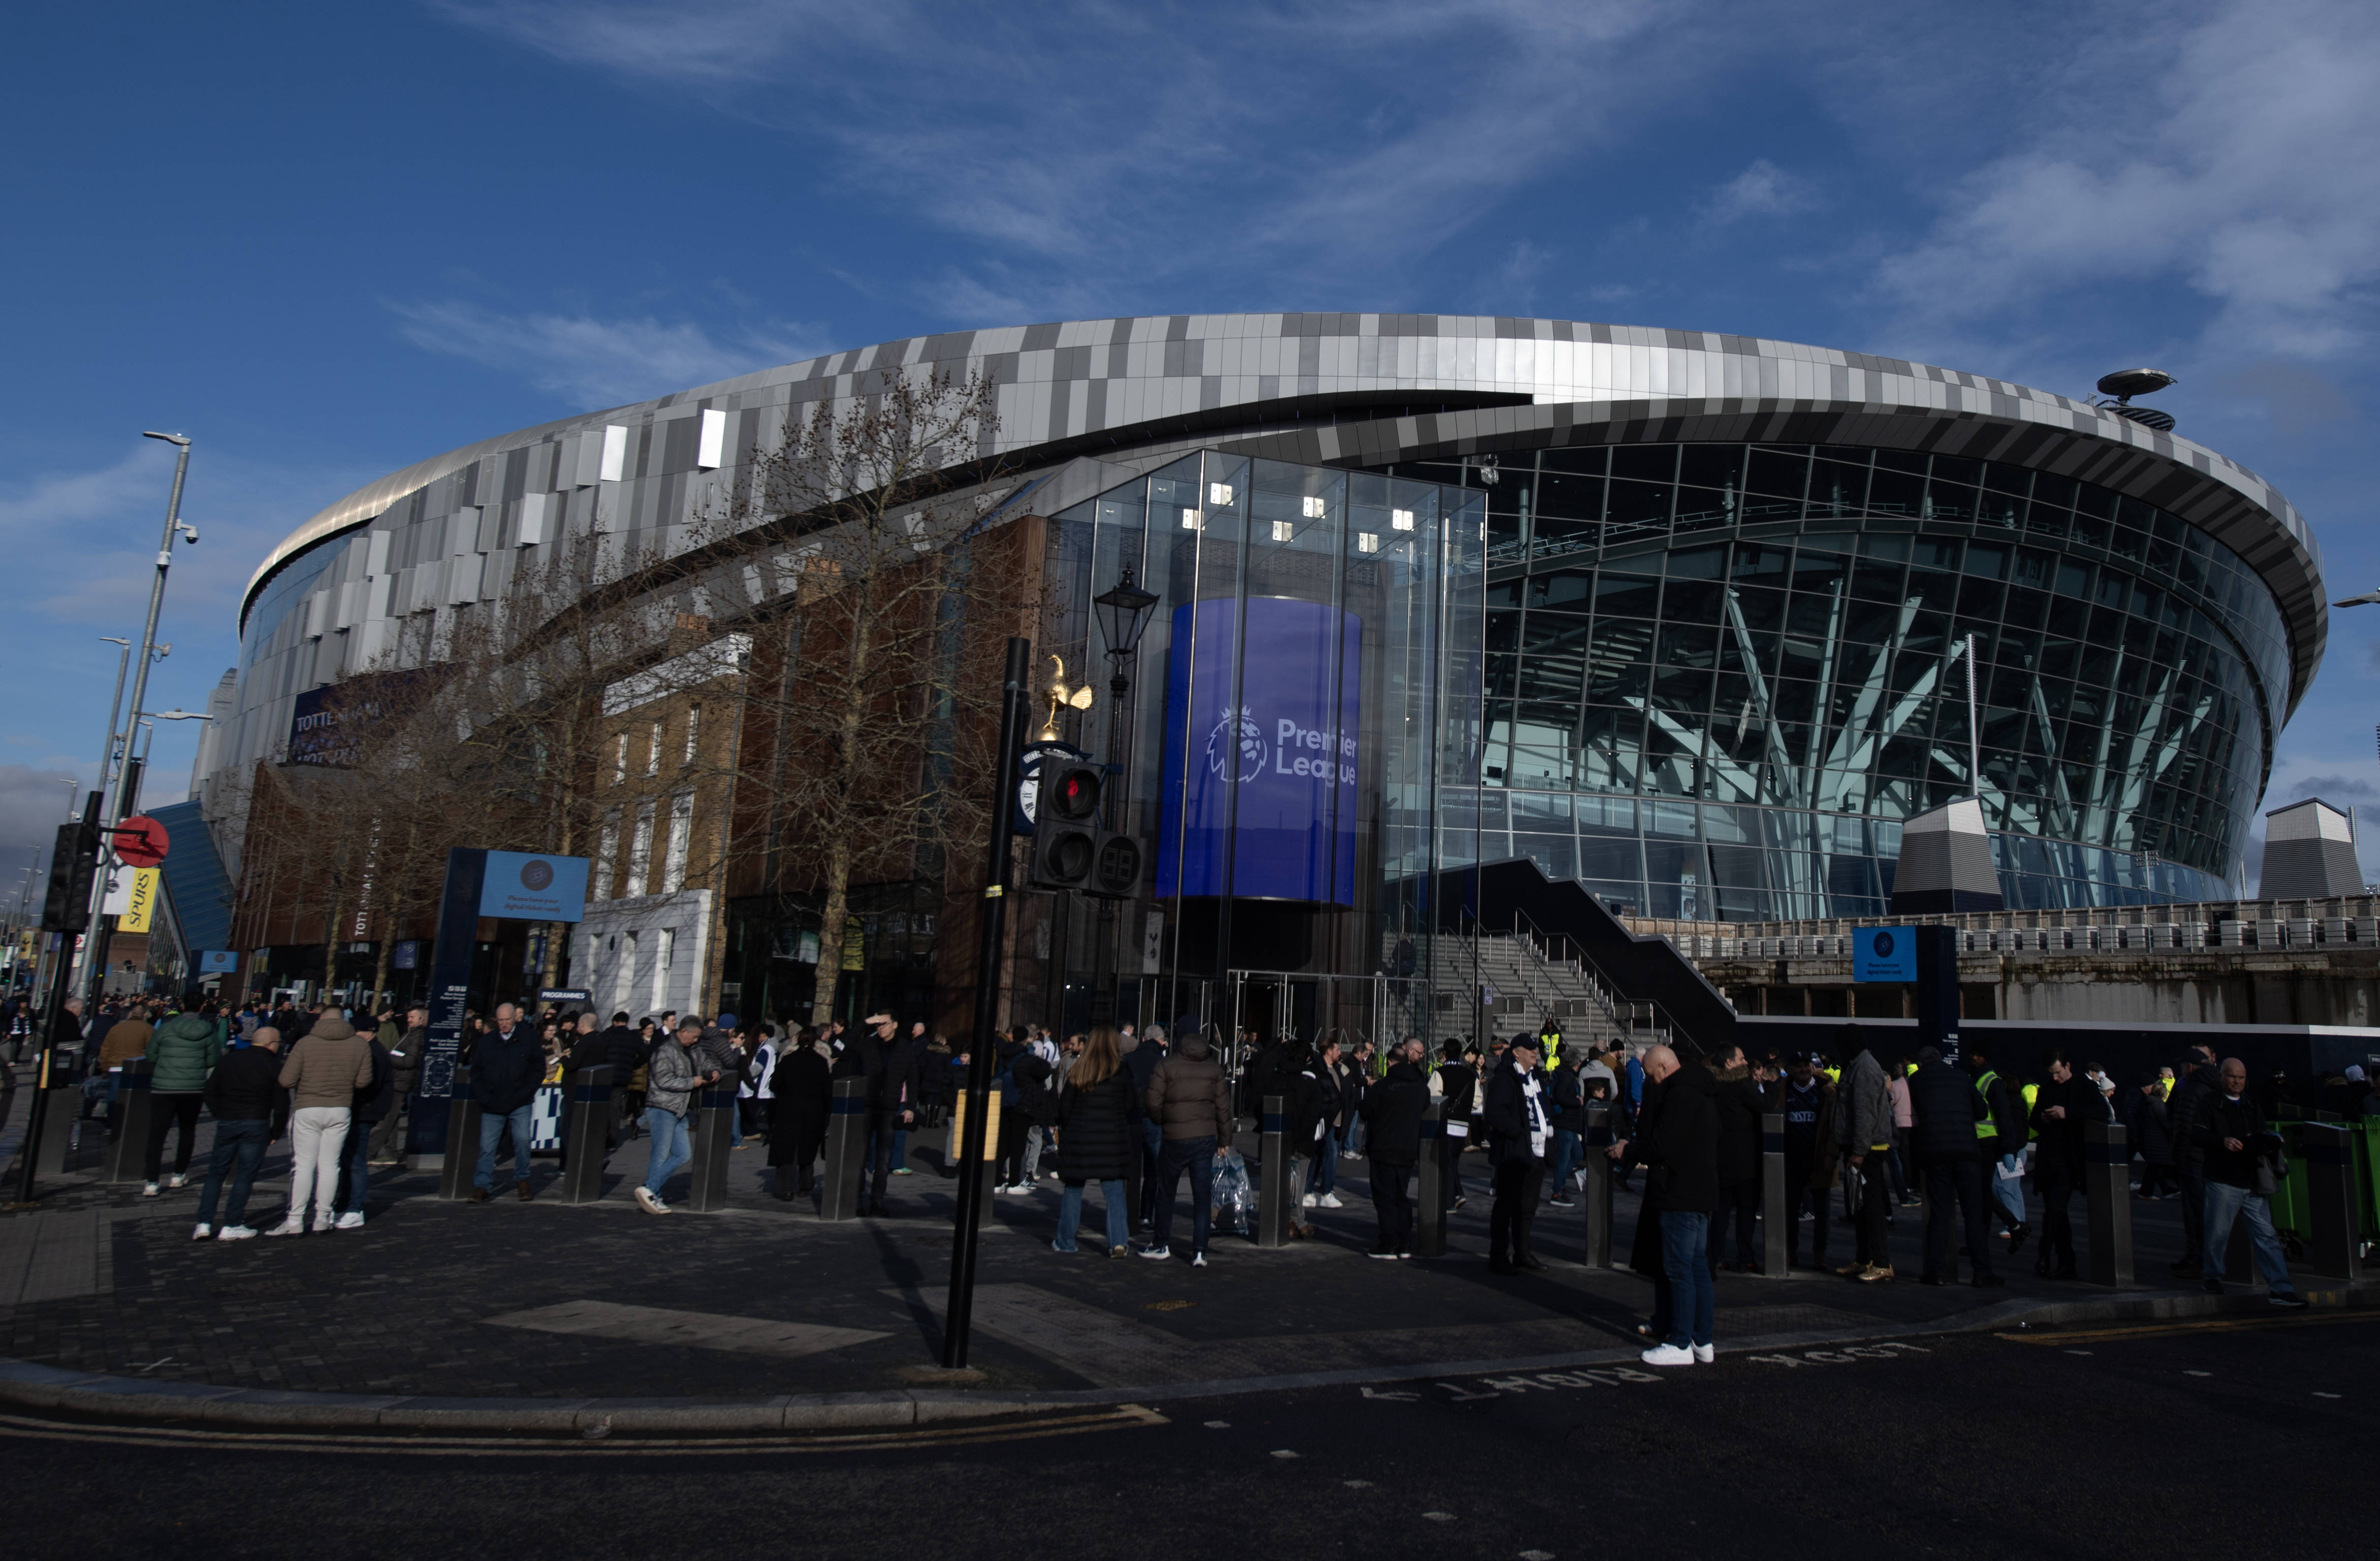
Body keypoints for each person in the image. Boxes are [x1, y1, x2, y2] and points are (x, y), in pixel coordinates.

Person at [1612, 1044, 1720, 1366]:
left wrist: (1628, 1150)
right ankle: (1702, 1340)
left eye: (1650, 1075)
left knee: (1678, 1269)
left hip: (1678, 1190)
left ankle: (1680, 1342)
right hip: (1702, 1189)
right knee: (1698, 1266)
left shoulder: (1679, 1095)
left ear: (1662, 1068)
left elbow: (1661, 1144)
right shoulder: (1702, 1091)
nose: (1651, 1082)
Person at [2193, 1057, 2308, 1307]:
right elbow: (2196, 1135)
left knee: (2267, 1236)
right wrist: (2222, 1142)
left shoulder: (2251, 1103)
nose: (2237, 1081)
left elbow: (2261, 1134)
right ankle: (2212, 1277)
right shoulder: (2209, 1103)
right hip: (2222, 1179)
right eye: (2233, 1076)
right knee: (2218, 1234)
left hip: (2251, 1179)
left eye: (2242, 1078)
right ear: (2222, 1077)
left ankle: (2281, 1289)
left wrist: (2270, 1142)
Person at [268, 1013, 375, 1237]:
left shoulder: (305, 1043)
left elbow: (286, 1080)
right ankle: (323, 1219)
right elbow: (364, 1081)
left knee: (304, 1166)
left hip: (308, 1106)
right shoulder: (359, 1044)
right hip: (341, 1107)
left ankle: (295, 1220)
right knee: (330, 1166)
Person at [1907, 1046, 2003, 1288]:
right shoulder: (1962, 1077)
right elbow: (1981, 1111)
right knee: (1974, 1214)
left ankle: (1936, 1272)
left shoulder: (1917, 1080)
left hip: (1936, 1152)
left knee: (1939, 1213)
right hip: (1967, 1151)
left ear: (1921, 1064)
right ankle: (1982, 1272)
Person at [1141, 1019, 1232, 1267]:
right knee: (1202, 1196)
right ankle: (1200, 1251)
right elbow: (1223, 1107)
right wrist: (1224, 1139)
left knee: (1166, 1192)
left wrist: (1163, 1120)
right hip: (1204, 1137)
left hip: (1175, 1136)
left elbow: (1153, 1101)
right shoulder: (1213, 1069)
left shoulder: (1166, 1065)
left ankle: (1161, 1243)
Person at [194, 1025, 290, 1240]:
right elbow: (282, 1104)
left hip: (228, 1120)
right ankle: (233, 1223)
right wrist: (276, 1132)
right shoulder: (273, 1065)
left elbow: (209, 1091)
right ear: (270, 1044)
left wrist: (220, 1113)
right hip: (256, 1121)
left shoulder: (229, 1060)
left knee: (216, 1172)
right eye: (278, 1044)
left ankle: (204, 1223)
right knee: (245, 1174)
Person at [2028, 1048, 2113, 1280]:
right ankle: (2066, 1262)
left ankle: (2046, 1254)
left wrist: (2068, 1113)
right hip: (2049, 1158)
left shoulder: (2083, 1087)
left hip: (2069, 1159)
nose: (2055, 1078)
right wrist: (2043, 1118)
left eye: (2058, 1073)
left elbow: (2101, 1112)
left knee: (2056, 1209)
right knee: (2056, 1212)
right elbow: (2034, 1118)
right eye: (2051, 1074)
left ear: (2068, 1066)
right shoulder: (2046, 1089)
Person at [1052, 1027, 1135, 1256]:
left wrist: (1067, 1129)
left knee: (1073, 1189)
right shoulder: (1121, 1069)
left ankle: (1066, 1241)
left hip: (1081, 1137)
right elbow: (1130, 1105)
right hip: (1112, 1138)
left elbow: (1065, 1108)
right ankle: (1118, 1241)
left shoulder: (1079, 1069)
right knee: (1115, 1190)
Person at [1483, 1036, 1552, 1274]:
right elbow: (1494, 1112)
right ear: (1516, 1053)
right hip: (1514, 1151)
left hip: (1537, 1150)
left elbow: (1542, 1107)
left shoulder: (1535, 1077)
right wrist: (1517, 1133)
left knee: (1528, 1207)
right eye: (1530, 1050)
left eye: (1536, 1049)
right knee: (1507, 1205)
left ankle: (1523, 1253)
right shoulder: (1506, 1077)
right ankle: (1499, 1255)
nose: (1535, 1052)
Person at [141, 1003, 224, 1196]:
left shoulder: (165, 1028)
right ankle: (178, 1175)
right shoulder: (208, 1031)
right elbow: (213, 1060)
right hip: (193, 1088)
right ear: (201, 1008)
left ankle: (152, 1182)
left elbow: (150, 1054)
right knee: (187, 1131)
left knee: (157, 1135)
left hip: (164, 1087)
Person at [635, 1020, 717, 1213]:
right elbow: (663, 1079)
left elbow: (708, 1062)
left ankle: (650, 1189)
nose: (696, 1040)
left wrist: (715, 1071)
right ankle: (654, 1194)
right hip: (662, 1106)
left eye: (698, 1037)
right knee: (661, 1154)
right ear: (682, 1032)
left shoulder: (695, 1049)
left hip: (681, 1109)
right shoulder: (665, 1051)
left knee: (683, 1154)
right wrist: (692, 1082)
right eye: (694, 1036)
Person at [1834, 1031, 1897, 1282]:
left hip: (1869, 1149)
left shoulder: (1864, 1068)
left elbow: (1864, 1113)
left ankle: (1882, 1263)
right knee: (1860, 1207)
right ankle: (1864, 1259)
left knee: (1871, 1206)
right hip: (1861, 1147)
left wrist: (1859, 1151)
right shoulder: (1856, 1066)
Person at [468, 1003, 545, 1203]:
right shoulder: (488, 1041)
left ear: (515, 1019)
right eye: (500, 1020)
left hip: (520, 1101)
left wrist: (528, 1091)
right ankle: (482, 1186)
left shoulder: (528, 1037)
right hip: (493, 1102)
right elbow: (476, 1072)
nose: (504, 1024)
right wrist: (484, 1096)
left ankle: (522, 1180)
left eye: (507, 1020)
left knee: (522, 1140)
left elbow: (538, 1067)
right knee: (487, 1147)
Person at [1359, 1042, 1430, 1258]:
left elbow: (1365, 1111)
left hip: (1383, 1147)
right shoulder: (1420, 1089)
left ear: (1389, 1063)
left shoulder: (1382, 1086)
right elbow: (1426, 1107)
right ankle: (1405, 1242)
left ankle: (1388, 1243)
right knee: (1402, 1196)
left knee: (1384, 1197)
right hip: (1407, 1149)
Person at [330, 1016, 396, 1230]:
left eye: (357, 1031)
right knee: (349, 1159)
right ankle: (345, 1203)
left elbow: (369, 1085)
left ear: (369, 1032)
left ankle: (354, 1208)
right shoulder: (371, 1050)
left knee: (356, 1160)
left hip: (364, 1112)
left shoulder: (374, 1053)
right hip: (362, 1111)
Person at [1966, 1042, 2030, 1253]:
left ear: (1986, 1058)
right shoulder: (1976, 1078)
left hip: (1987, 1143)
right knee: (1982, 1193)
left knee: (1981, 1192)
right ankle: (2009, 1228)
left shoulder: (1992, 1082)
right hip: (1980, 1143)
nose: (1974, 1058)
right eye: (1972, 1053)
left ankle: (2013, 1226)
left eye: (1978, 1054)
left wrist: (2008, 1150)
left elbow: (2005, 1118)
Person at [1706, 1043, 1765, 1273]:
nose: (1745, 1062)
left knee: (1721, 1211)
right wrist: (1769, 1087)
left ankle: (1718, 1256)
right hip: (1745, 1160)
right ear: (1730, 1062)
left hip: (1720, 1158)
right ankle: (1745, 1257)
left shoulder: (1713, 1085)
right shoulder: (1742, 1085)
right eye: (1741, 1059)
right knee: (1746, 1211)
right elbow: (1765, 1106)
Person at [1776, 1052, 1837, 1269]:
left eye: (1806, 1066)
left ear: (1812, 1067)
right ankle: (1791, 1251)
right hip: (1793, 1159)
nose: (1803, 1070)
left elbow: (1833, 1126)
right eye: (1798, 1066)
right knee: (1790, 1209)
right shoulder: (1785, 1089)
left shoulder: (1824, 1091)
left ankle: (1820, 1254)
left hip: (1819, 1158)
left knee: (1822, 1211)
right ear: (1791, 1069)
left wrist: (1831, 1153)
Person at [2165, 1044, 2222, 1279]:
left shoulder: (2191, 1089)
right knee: (2209, 1210)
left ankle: (2198, 1260)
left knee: (2194, 1210)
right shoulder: (2216, 1085)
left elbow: (2183, 1127)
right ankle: (2204, 1258)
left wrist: (2176, 1156)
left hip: (2192, 1157)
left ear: (2189, 1067)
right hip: (2212, 1156)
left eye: (2182, 1066)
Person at [766, 1026, 833, 1198]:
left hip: (788, 1108)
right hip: (813, 1110)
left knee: (786, 1150)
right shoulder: (820, 1062)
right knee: (807, 1148)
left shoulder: (788, 1060)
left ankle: (785, 1188)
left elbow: (774, 1085)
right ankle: (806, 1184)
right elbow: (827, 1089)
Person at [368, 1006, 426, 1163]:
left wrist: (389, 1058)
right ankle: (391, 1152)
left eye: (412, 1017)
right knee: (392, 1118)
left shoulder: (417, 1035)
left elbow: (409, 1061)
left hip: (401, 1081)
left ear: (421, 1019)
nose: (409, 1019)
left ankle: (369, 1151)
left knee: (387, 1119)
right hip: (398, 1079)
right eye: (408, 1016)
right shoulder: (410, 1033)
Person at [1430, 1041, 1478, 1210]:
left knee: (1447, 1162)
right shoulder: (1471, 1075)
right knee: (1453, 1161)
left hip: (1446, 1122)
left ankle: (1451, 1200)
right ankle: (1458, 1193)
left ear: (1444, 1053)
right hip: (1463, 1125)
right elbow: (1478, 1101)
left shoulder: (1440, 1073)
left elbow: (1433, 1097)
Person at [1546, 1047, 1584, 1208]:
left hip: (1569, 1124)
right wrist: (1578, 1102)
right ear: (1577, 1063)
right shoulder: (1568, 1076)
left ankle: (1559, 1183)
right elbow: (1561, 1097)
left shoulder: (1564, 1074)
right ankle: (1557, 1191)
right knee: (1565, 1158)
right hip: (1565, 1123)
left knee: (1577, 1154)